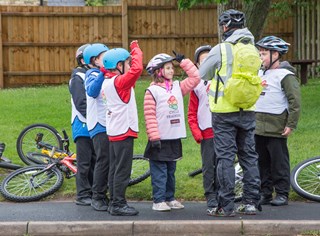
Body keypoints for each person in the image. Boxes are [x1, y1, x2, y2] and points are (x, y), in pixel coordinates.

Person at [199, 9, 261, 216]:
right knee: (249, 156)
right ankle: (251, 202)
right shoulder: (253, 48)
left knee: (225, 157)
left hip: (224, 111)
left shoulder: (222, 49)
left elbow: (203, 73)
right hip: (248, 108)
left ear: (225, 27)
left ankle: (226, 206)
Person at [144, 52, 200, 212]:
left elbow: (195, 78)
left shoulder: (177, 87)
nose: (171, 71)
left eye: (172, 67)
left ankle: (170, 198)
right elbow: (149, 115)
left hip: (173, 137)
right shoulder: (152, 91)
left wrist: (184, 62)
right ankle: (158, 200)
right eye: (167, 68)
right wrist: (154, 136)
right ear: (158, 71)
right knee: (159, 171)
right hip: (159, 138)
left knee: (171, 171)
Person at [255, 36, 301, 206]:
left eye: (264, 54)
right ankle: (265, 192)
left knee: (278, 162)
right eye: (260, 54)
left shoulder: (285, 75)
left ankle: (282, 193)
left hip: (277, 126)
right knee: (261, 161)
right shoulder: (259, 73)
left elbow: (294, 102)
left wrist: (291, 124)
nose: (261, 57)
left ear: (276, 54)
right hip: (258, 126)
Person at [101, 40, 143, 216]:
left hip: (114, 130)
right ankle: (118, 203)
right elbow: (138, 69)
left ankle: (113, 202)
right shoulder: (119, 82)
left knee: (114, 168)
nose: (129, 65)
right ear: (119, 66)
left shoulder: (108, 81)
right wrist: (135, 49)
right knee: (122, 169)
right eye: (126, 63)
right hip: (123, 129)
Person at [187, 45, 219, 215]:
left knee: (223, 165)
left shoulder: (223, 79)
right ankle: (210, 195)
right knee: (209, 166)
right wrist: (196, 132)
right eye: (202, 60)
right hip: (206, 133)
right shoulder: (197, 86)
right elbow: (191, 113)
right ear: (197, 65)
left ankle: (223, 193)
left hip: (223, 131)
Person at [83, 43, 110, 211]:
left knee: (110, 161)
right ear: (94, 60)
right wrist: (102, 73)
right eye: (104, 57)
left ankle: (104, 194)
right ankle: (97, 197)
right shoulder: (91, 73)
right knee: (103, 160)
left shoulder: (107, 75)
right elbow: (92, 91)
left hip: (110, 123)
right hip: (99, 124)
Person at [69, 44, 96, 206]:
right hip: (83, 124)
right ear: (83, 60)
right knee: (84, 162)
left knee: (95, 160)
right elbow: (81, 103)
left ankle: (93, 190)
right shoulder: (78, 77)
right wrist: (94, 118)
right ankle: (83, 194)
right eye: (94, 58)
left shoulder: (93, 75)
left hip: (94, 124)